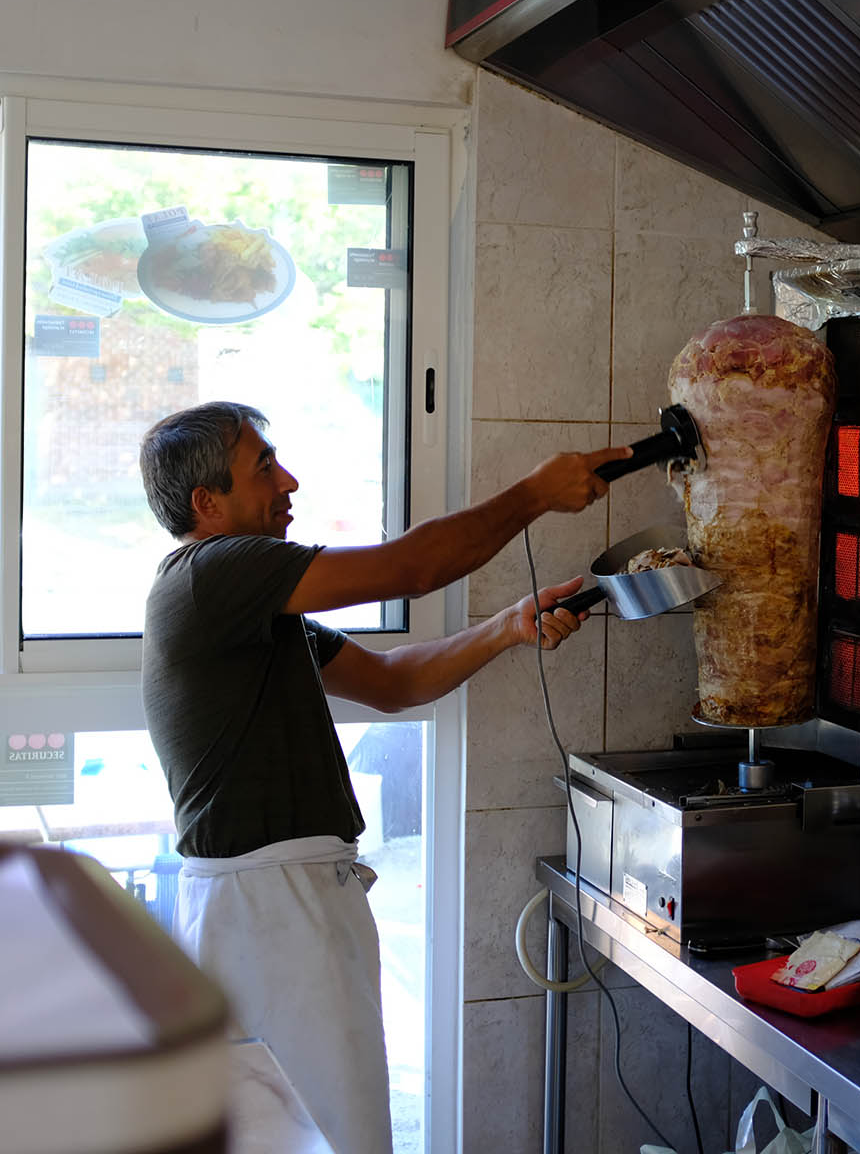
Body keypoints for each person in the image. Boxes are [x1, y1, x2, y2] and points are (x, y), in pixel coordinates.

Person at [137, 400, 626, 1154]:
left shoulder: (247, 608)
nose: (288, 481)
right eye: (263, 466)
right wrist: (533, 494)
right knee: (338, 1132)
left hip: (269, 905)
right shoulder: (215, 574)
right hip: (275, 910)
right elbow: (413, 567)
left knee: (296, 1133)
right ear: (207, 503)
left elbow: (394, 682)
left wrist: (508, 625)